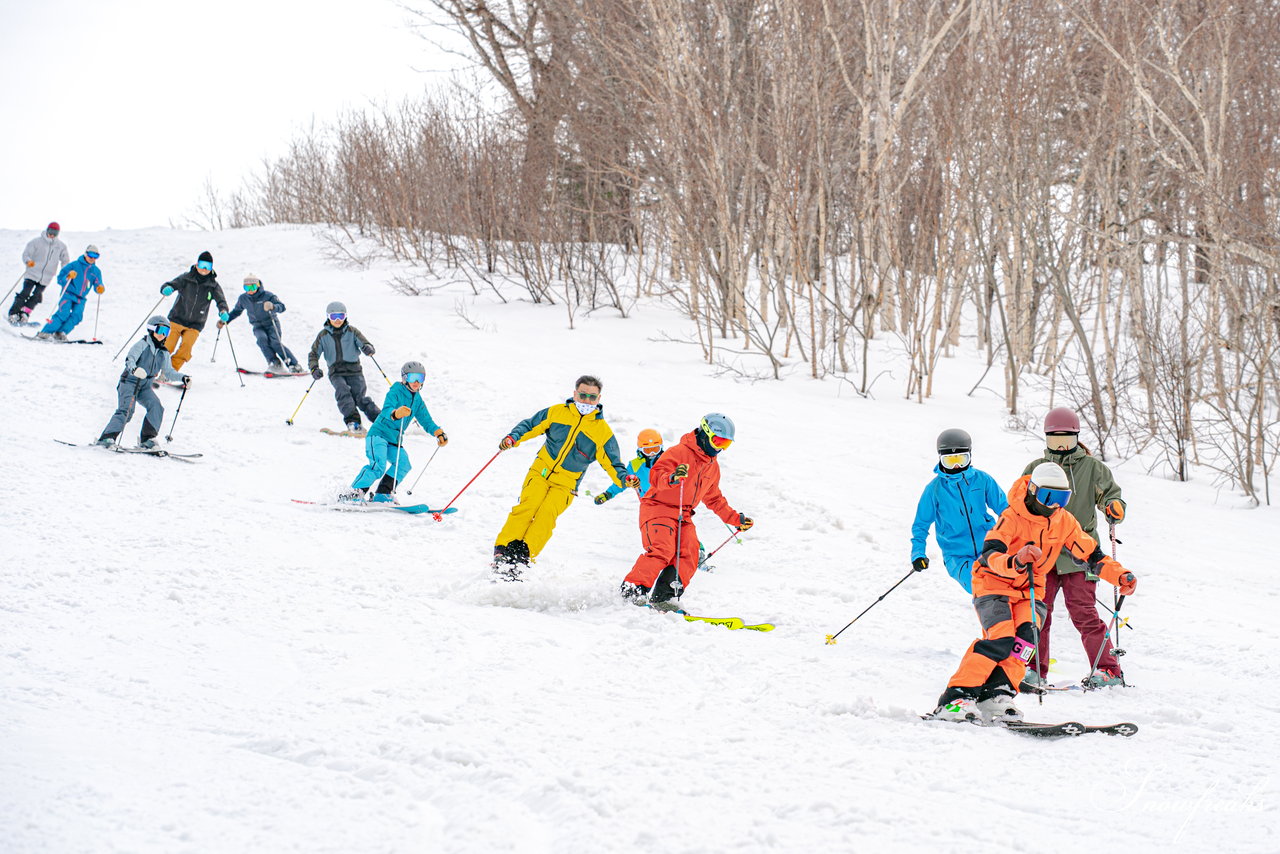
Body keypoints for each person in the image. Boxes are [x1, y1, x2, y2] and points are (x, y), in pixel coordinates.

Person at [926, 462, 1138, 724]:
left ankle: (997, 695)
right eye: (1049, 497)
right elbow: (991, 553)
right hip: (994, 585)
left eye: (1062, 498)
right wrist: (1015, 560)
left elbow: (1092, 555)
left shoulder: (1063, 522)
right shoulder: (1012, 517)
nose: (1054, 505)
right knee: (1000, 638)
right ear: (1033, 491)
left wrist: (1120, 575)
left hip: (1030, 590)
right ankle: (956, 697)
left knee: (1026, 642)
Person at [1020, 407, 1128, 690]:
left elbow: (1111, 495)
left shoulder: (1093, 468)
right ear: (1046, 440)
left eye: (1066, 440)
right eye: (1054, 441)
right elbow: (1021, 504)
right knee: (1037, 613)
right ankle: (1032, 670)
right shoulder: (1035, 468)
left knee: (1084, 612)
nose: (1061, 446)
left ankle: (1107, 670)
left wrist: (1113, 507)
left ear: (1077, 437)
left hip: (1081, 554)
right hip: (1044, 555)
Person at [492, 375, 638, 579]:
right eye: (583, 395)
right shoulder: (556, 413)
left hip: (566, 482)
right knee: (528, 506)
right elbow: (529, 426)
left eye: (592, 397)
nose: (587, 401)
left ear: (599, 399)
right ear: (574, 394)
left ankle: (522, 558)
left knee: (546, 516)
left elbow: (613, 463)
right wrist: (513, 438)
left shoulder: (602, 432)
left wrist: (625, 479)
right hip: (541, 471)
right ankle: (502, 551)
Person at [620, 413, 752, 607]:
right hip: (658, 508)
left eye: (725, 444)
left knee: (690, 553)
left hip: (684, 515)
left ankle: (664, 598)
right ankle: (633, 591)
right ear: (705, 434)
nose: (719, 448)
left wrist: (736, 519)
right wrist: (672, 478)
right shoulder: (679, 452)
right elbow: (656, 476)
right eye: (717, 441)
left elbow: (714, 499)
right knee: (662, 550)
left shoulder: (712, 467)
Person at [909, 428, 1008, 594]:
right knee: (984, 589)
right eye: (950, 460)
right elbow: (921, 524)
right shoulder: (934, 490)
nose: (956, 466)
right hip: (957, 556)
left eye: (961, 459)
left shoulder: (982, 480)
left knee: (1009, 586)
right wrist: (918, 554)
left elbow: (1005, 510)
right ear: (940, 459)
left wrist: (1015, 536)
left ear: (970, 456)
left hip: (991, 547)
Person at [348, 361, 447, 501]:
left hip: (394, 440)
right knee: (378, 466)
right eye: (413, 378)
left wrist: (438, 432)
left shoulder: (417, 400)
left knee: (403, 465)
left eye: (421, 378)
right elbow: (387, 408)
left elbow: (426, 420)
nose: (417, 382)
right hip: (379, 435)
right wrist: (395, 413)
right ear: (405, 378)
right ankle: (354, 494)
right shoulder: (396, 390)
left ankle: (383, 494)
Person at [95, 316, 191, 449]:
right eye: (160, 330)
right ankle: (107, 438)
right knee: (127, 410)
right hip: (129, 382)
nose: (162, 335)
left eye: (166, 332)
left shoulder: (164, 353)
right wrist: (135, 370)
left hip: (145, 387)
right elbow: (130, 360)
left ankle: (147, 439)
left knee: (156, 407)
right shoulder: (142, 344)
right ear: (151, 330)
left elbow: (168, 372)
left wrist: (183, 378)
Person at [307, 301, 380, 434]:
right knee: (343, 391)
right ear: (328, 317)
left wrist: (368, 348)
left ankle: (382, 421)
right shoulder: (323, 335)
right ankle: (353, 422)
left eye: (341, 316)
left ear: (345, 316)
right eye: (334, 317)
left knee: (360, 399)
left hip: (354, 370)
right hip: (336, 372)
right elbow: (313, 354)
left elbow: (366, 343)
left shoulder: (352, 331)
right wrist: (314, 368)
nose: (338, 320)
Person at [160, 251, 230, 370]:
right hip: (177, 318)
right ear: (197, 264)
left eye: (207, 266)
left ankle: (170, 371)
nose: (204, 269)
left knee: (186, 348)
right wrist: (167, 288)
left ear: (211, 268)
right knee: (168, 345)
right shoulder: (186, 278)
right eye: (202, 265)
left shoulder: (213, 286)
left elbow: (221, 301)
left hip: (195, 324)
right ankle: (155, 369)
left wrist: (223, 311)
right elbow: (171, 284)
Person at [222, 273, 301, 372]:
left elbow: (282, 307)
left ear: (258, 285)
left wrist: (273, 306)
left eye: (253, 287)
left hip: (271, 324)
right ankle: (274, 363)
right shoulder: (243, 298)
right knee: (261, 340)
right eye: (246, 288)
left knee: (275, 343)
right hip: (257, 326)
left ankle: (294, 365)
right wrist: (226, 321)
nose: (250, 290)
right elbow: (236, 311)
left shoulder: (268, 295)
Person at [36, 245, 104, 341]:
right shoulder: (74, 265)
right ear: (85, 254)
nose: (93, 258)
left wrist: (100, 288)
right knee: (63, 313)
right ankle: (45, 332)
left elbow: (98, 283)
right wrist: (68, 276)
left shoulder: (96, 271)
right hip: (68, 294)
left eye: (96, 256)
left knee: (77, 316)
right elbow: (60, 279)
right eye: (91, 255)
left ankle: (60, 333)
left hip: (81, 298)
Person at [9, 222, 69, 324]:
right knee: (25, 293)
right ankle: (13, 313)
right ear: (47, 230)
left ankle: (25, 313)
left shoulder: (61, 246)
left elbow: (65, 260)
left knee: (37, 296)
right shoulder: (36, 242)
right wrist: (28, 261)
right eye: (50, 231)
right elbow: (26, 254)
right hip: (32, 273)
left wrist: (65, 270)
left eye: (55, 232)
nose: (52, 235)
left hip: (46, 277)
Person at [593, 428, 664, 505]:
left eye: (655, 449)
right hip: (649, 503)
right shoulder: (635, 465)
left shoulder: (667, 460)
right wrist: (608, 494)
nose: (652, 454)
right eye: (648, 450)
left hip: (669, 501)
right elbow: (624, 481)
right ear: (640, 449)